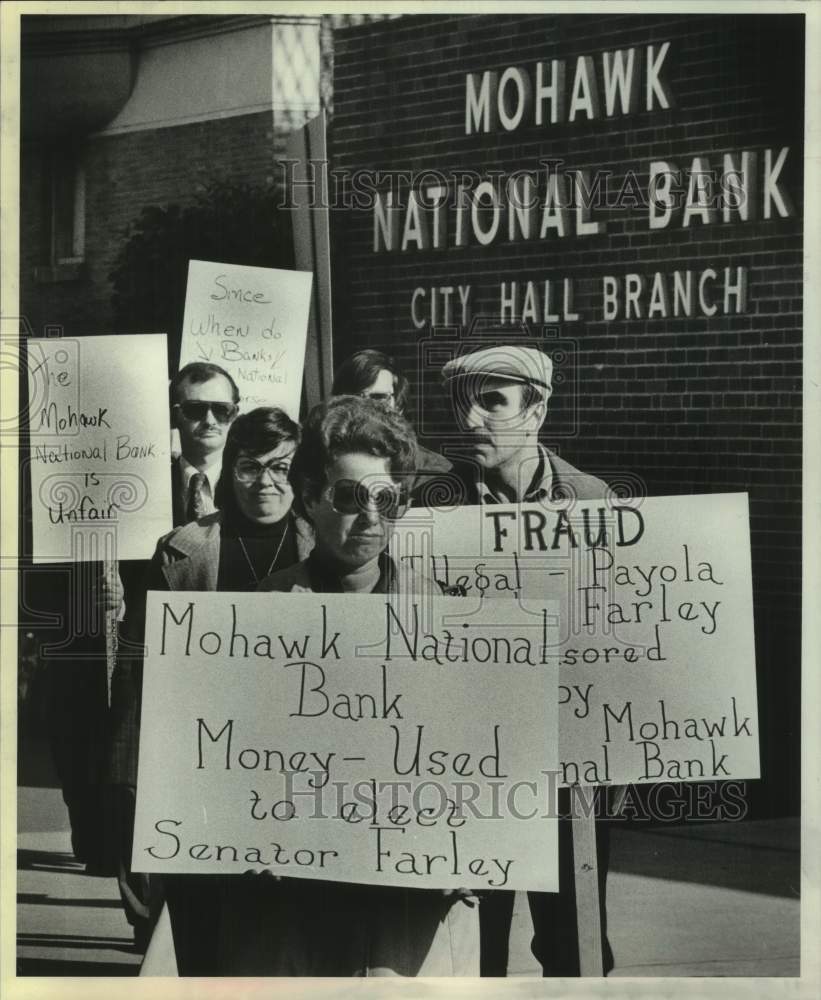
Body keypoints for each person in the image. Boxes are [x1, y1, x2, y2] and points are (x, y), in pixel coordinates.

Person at [258, 395, 480, 976]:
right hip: (296, 890)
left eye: (386, 498)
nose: (370, 515)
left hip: (408, 895)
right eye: (349, 497)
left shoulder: (444, 613)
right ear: (308, 497)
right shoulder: (260, 612)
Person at [108, 408, 312, 973]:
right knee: (205, 926)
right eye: (250, 467)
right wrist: (128, 780)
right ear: (231, 469)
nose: (266, 482)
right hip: (200, 766)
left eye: (282, 468)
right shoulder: (183, 549)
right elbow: (137, 667)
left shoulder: (325, 547)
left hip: (300, 764)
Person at [438, 345, 614, 978]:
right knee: (469, 948)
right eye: (464, 404)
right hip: (467, 765)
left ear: (538, 409)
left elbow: (623, 638)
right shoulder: (438, 507)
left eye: (492, 402)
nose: (472, 421)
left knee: (574, 940)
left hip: (569, 769)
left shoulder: (592, 501)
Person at [107, 360, 241, 948]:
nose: (208, 419)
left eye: (222, 409)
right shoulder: (133, 484)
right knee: (143, 805)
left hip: (230, 672)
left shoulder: (255, 484)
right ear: (175, 414)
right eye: (195, 408)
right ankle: (145, 927)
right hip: (151, 663)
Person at [332, 349, 452, 495]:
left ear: (399, 406)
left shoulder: (431, 472)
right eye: (354, 398)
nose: (364, 407)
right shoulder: (321, 466)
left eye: (378, 397)